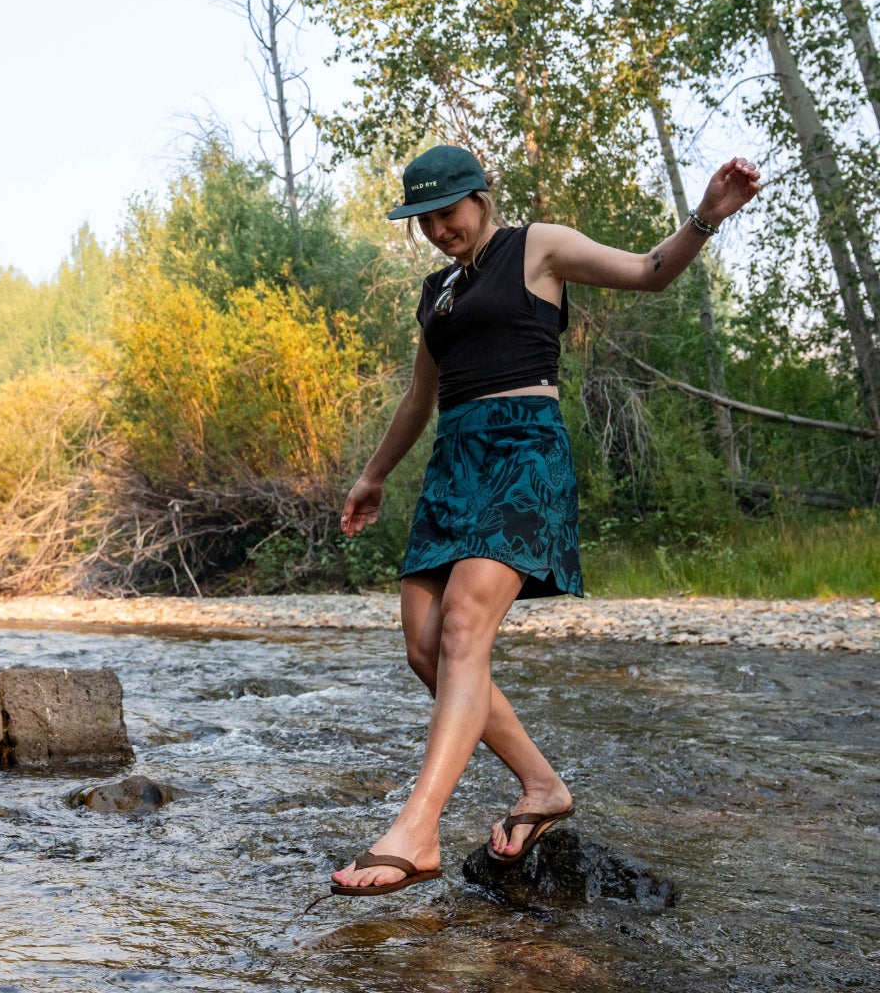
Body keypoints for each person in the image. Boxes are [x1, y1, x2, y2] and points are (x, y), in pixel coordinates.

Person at [325, 144, 761, 899]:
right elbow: (418, 399)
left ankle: (418, 827)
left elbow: (649, 270)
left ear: (480, 197)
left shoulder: (539, 247)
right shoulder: (436, 293)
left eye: (447, 212)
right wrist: (372, 477)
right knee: (425, 649)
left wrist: (703, 217)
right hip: (453, 468)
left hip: (523, 454)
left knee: (464, 626)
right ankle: (541, 786)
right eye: (422, 219)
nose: (436, 229)